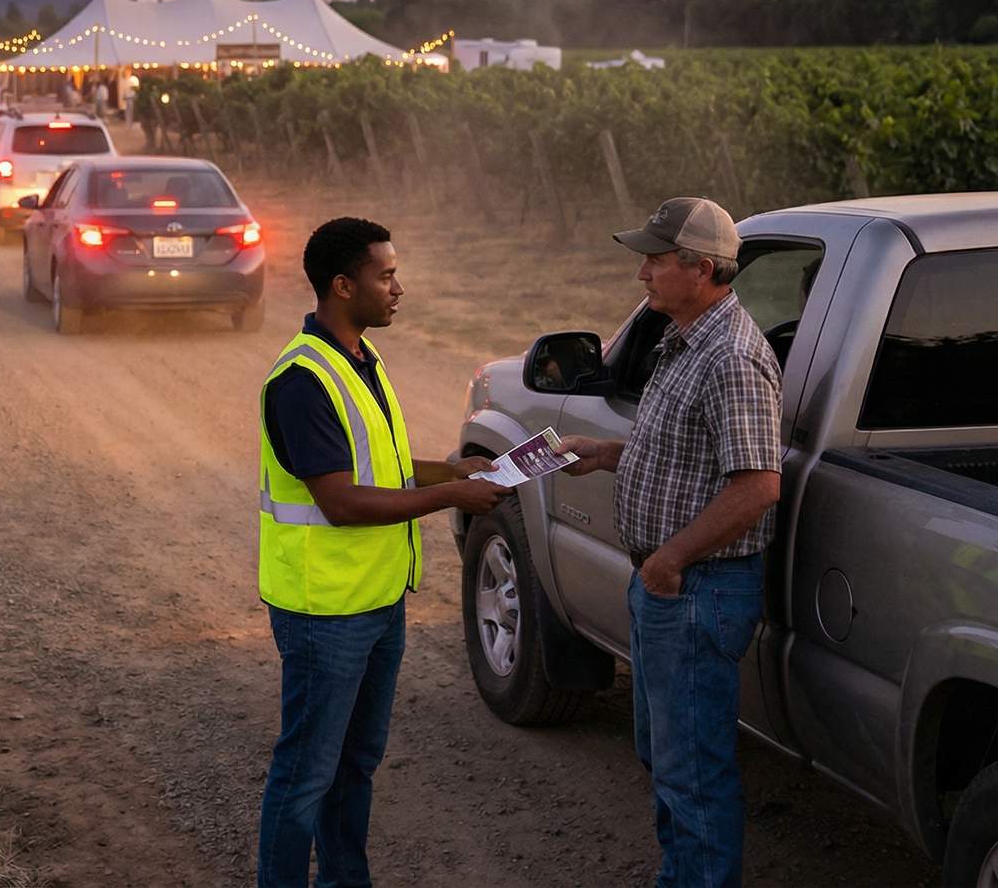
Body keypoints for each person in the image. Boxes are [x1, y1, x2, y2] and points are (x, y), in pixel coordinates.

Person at [256, 218, 506, 888]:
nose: (399, 288)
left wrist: (455, 469)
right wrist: (453, 495)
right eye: (386, 275)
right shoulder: (302, 380)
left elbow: (381, 469)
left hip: (378, 599)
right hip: (324, 611)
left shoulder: (361, 359)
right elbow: (341, 500)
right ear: (343, 286)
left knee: (354, 766)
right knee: (305, 776)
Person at [556, 197, 782, 888]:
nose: (642, 274)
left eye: (654, 260)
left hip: (695, 589)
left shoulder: (732, 357)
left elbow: (757, 486)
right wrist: (605, 452)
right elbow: (686, 457)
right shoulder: (684, 341)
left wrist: (669, 560)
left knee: (692, 772)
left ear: (701, 268)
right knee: (667, 755)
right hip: (671, 587)